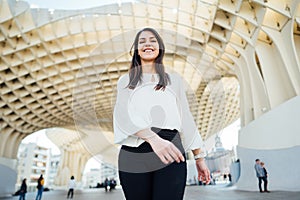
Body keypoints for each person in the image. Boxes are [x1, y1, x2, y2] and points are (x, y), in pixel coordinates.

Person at [113, 27, 211, 200]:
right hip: (134, 150)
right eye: (142, 42)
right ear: (136, 50)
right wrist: (153, 139)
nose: (147, 44)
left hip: (171, 148)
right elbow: (123, 116)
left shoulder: (174, 80)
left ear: (160, 47)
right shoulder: (125, 81)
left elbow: (185, 118)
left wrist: (199, 158)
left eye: (153, 40)